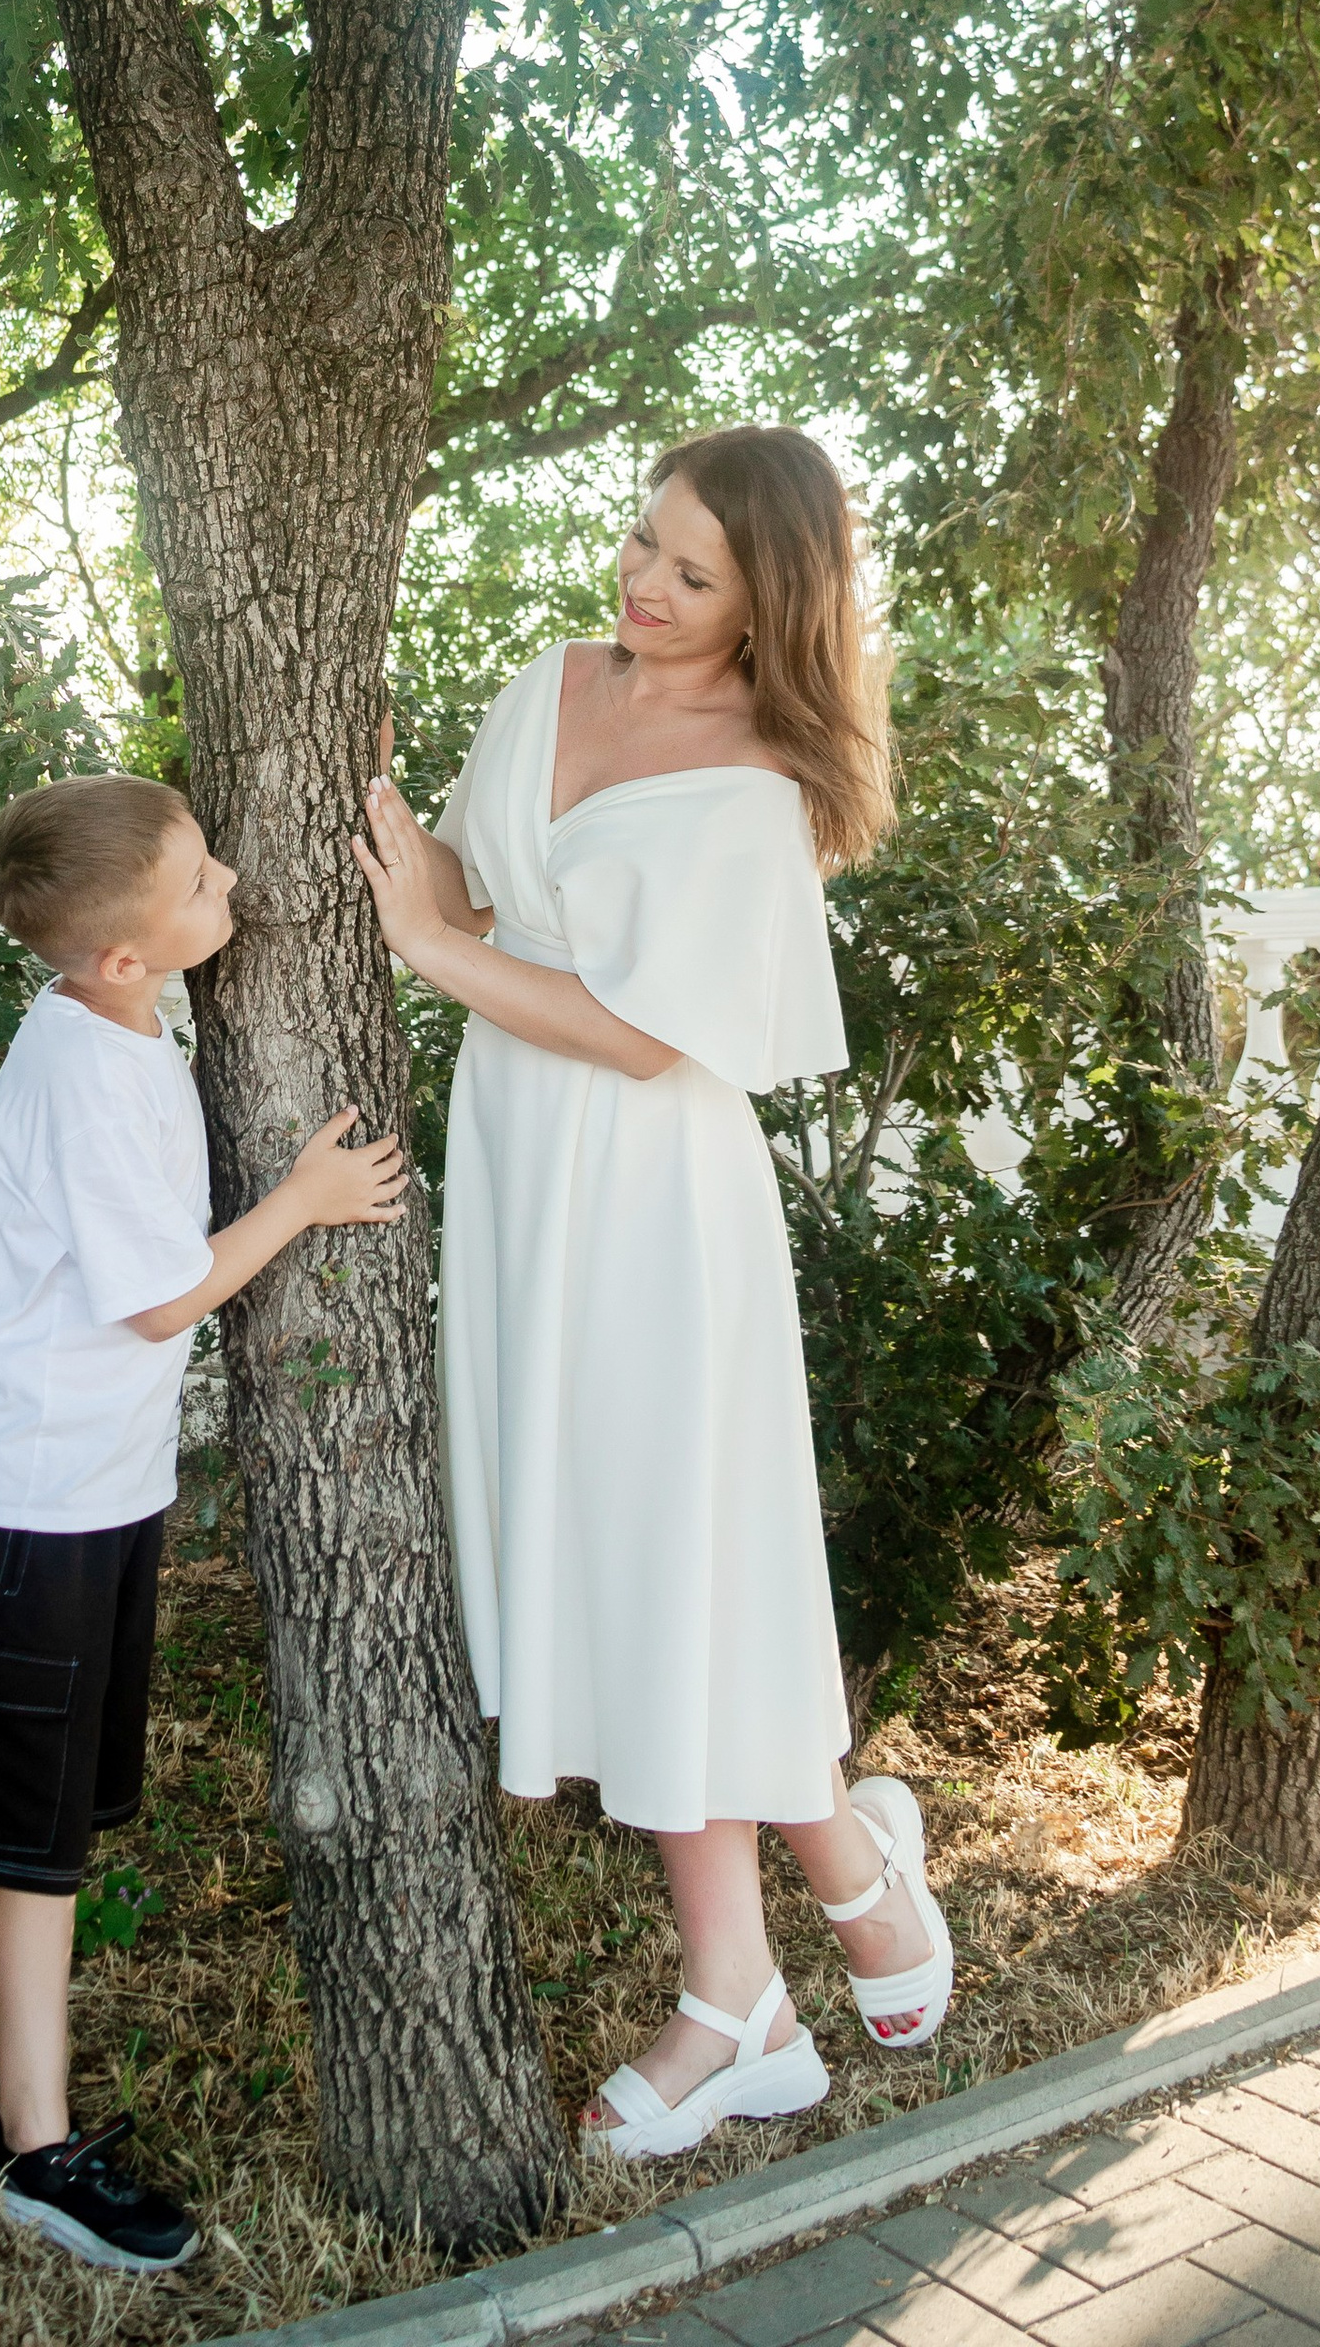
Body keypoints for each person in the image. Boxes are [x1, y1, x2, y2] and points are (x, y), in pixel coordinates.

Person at [353, 427, 955, 2160]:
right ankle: (835, 1875)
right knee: (628, 1561)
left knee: (680, 1559)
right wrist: (402, 840)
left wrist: (439, 956)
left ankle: (739, 1999)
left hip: (657, 1193)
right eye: (640, 542)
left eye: (692, 574)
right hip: (525, 1179)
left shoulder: (762, 786)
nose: (642, 584)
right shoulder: (545, 683)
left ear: (769, 607)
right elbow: (468, 886)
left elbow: (642, 1031)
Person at [0, 772, 409, 2326]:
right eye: (201, 882)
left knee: (39, 1849)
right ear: (123, 958)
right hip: (20, 1515)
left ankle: (36, 2139)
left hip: (98, 1501)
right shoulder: (82, 1067)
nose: (230, 887)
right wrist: (306, 1202)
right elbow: (154, 1297)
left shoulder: (129, 1024)